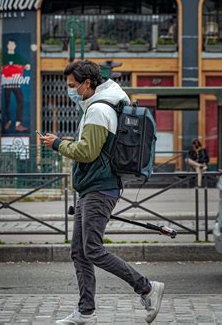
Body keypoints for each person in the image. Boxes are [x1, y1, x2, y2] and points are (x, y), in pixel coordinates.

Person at [42, 60, 165, 325]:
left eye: (73, 86)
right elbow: (92, 148)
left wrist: (57, 144)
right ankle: (86, 310)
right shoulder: (102, 104)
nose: (71, 91)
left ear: (88, 84)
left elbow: (88, 152)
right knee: (79, 251)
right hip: (93, 187)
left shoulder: (98, 109)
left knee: (93, 249)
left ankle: (146, 287)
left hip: (101, 188)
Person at [2, 39, 30, 133]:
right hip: (6, 82)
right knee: (7, 102)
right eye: (9, 44)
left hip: (15, 82)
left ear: (14, 46)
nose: (11, 46)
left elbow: (27, 64)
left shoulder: (18, 56)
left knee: (20, 100)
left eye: (12, 44)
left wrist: (26, 66)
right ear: (7, 46)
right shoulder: (4, 57)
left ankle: (18, 123)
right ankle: (8, 120)